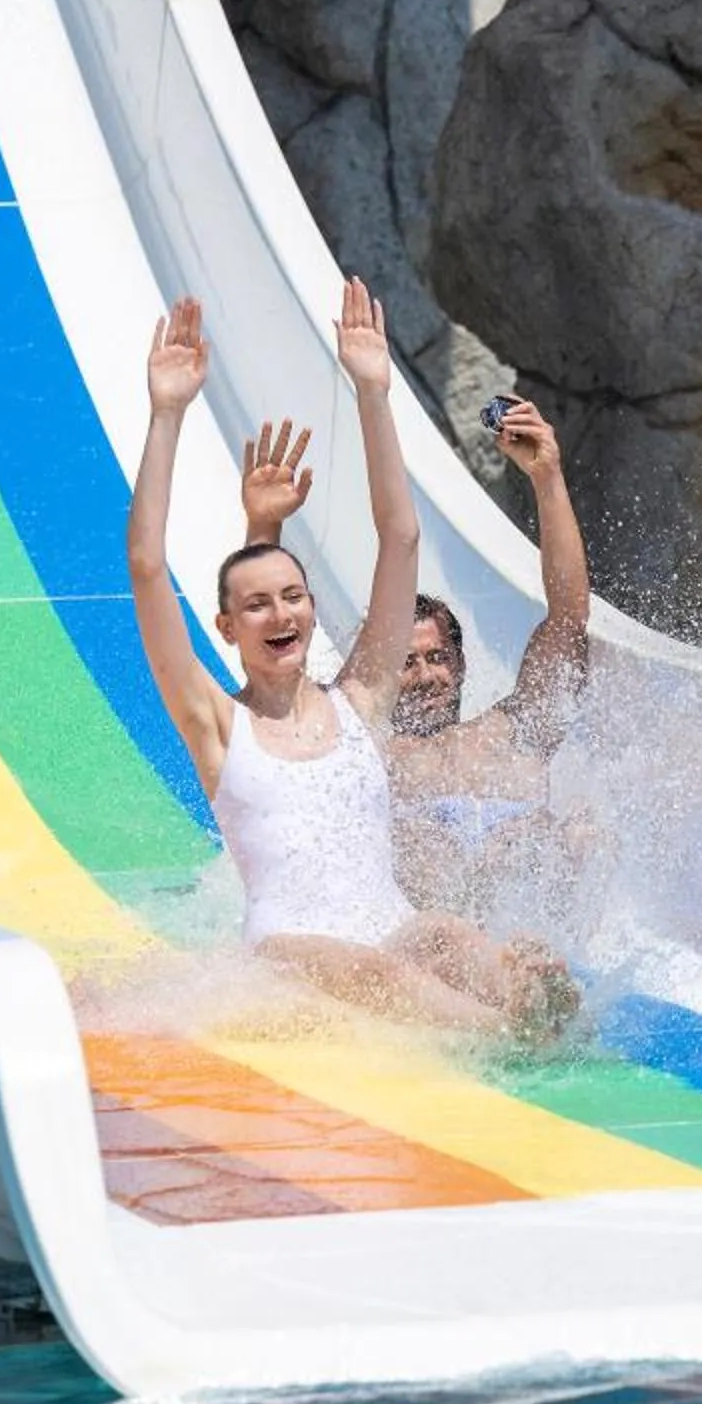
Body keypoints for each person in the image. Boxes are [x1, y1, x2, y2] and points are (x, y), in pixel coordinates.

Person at [124, 279, 574, 1036]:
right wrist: (167, 414)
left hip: (391, 927)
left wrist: (373, 393)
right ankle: (509, 1039)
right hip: (290, 953)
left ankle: (537, 998)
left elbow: (399, 538)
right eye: (258, 604)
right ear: (226, 627)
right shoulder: (216, 724)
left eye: (293, 597)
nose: (282, 613)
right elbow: (145, 565)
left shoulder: (359, 702)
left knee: (448, 937)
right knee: (387, 972)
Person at [239, 394, 592, 921]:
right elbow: (270, 670)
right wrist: (264, 527)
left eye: (437, 657)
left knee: (586, 830)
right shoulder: (357, 745)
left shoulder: (515, 729)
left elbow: (568, 615)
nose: (426, 675)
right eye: (406, 663)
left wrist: (547, 477)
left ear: (461, 665)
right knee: (418, 839)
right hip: (427, 921)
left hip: (525, 905)